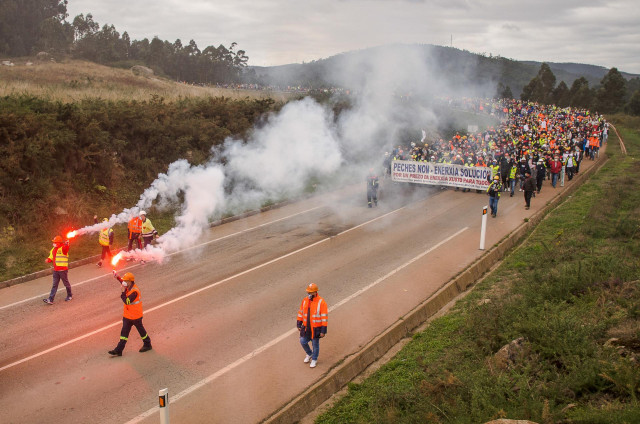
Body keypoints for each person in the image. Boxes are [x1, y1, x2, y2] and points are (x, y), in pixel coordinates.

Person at [108, 271, 152, 356]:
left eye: (126, 281)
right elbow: (123, 283)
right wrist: (117, 277)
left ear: (130, 281)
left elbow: (127, 301)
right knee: (124, 333)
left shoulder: (134, 291)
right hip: (128, 316)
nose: (124, 282)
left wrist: (122, 292)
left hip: (136, 316)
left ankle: (147, 344)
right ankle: (119, 350)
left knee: (141, 331)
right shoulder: (129, 286)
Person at [297, 283, 328, 368]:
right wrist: (299, 323)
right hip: (306, 327)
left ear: (315, 292)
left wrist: (323, 331)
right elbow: (301, 312)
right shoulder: (305, 300)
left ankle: (314, 359)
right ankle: (309, 354)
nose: (309, 294)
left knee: (315, 345)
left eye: (311, 292)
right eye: (308, 292)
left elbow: (324, 317)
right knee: (302, 341)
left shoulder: (321, 302)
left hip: (316, 328)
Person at [43, 236, 73, 304]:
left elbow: (66, 249)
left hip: (63, 270)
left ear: (59, 243)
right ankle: (50, 299)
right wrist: (48, 259)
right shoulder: (53, 249)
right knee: (54, 285)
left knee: (66, 283)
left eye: (55, 242)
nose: (53, 243)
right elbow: (51, 256)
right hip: (56, 270)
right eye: (53, 242)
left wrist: (67, 243)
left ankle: (69, 295)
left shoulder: (63, 248)